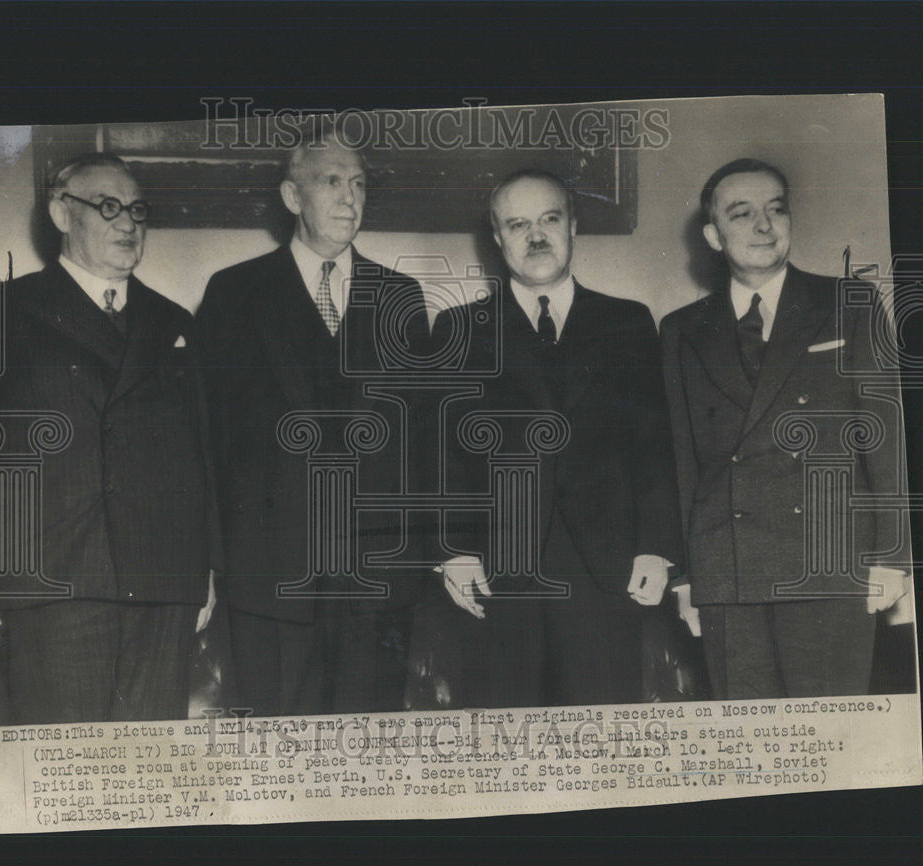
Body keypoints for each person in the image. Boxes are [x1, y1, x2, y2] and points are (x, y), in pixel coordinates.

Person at [0, 152, 219, 724]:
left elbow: (202, 458)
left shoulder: (175, 322)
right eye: (107, 207)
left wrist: (205, 573)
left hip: (163, 585)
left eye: (137, 210)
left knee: (150, 777)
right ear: (61, 211)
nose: (127, 224)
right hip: (56, 584)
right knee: (63, 776)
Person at [429, 169, 683, 707]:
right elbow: (440, 452)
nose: (536, 235)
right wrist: (453, 551)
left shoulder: (628, 323)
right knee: (503, 749)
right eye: (517, 224)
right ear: (497, 239)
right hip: (498, 575)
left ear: (574, 226)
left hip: (606, 573)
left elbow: (655, 445)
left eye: (549, 219)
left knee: (605, 752)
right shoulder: (458, 330)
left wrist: (656, 548)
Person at [197, 129, 429, 717]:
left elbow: (421, 444)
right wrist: (210, 563)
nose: (350, 198)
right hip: (268, 579)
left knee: (368, 765)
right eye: (331, 181)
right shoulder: (232, 294)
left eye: (359, 184)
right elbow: (207, 439)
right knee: (277, 763)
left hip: (376, 584)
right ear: (291, 196)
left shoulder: (400, 297)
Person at [660, 157, 910, 699]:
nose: (764, 227)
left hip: (830, 561)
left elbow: (886, 439)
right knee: (750, 748)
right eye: (742, 214)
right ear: (713, 235)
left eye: (776, 210)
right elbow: (681, 461)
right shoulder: (681, 330)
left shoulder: (851, 304)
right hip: (727, 570)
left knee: (831, 742)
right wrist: (684, 578)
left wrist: (893, 556)